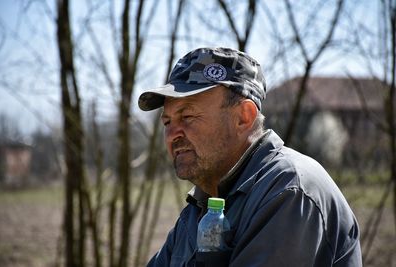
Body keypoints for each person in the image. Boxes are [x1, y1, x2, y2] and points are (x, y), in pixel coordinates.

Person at [138, 47, 362, 267]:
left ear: (243, 117)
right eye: (167, 122)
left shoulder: (288, 191)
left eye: (187, 116)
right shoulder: (202, 204)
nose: (172, 135)